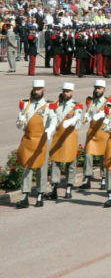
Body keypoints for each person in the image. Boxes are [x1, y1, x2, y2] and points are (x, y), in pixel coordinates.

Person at [15, 79, 57, 208]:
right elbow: (19, 125)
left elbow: (53, 119)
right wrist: (20, 121)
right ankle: (25, 195)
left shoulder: (48, 105)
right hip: (28, 140)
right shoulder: (26, 104)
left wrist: (50, 129)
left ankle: (40, 194)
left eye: (39, 90)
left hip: (41, 141)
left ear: (43, 90)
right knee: (27, 168)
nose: (36, 92)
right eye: (35, 90)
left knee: (41, 168)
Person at [46, 82, 83, 201]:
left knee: (71, 162)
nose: (65, 93)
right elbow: (52, 117)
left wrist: (71, 120)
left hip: (70, 137)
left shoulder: (76, 105)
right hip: (58, 136)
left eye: (67, 91)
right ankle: (54, 187)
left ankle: (69, 187)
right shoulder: (56, 105)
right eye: (64, 91)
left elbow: (78, 116)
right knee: (55, 162)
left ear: (72, 93)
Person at [80, 79, 110, 190]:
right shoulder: (90, 101)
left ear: (104, 90)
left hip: (103, 133)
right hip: (92, 132)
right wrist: (86, 118)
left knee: (103, 156)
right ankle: (87, 177)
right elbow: (88, 113)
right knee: (88, 154)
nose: (97, 90)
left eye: (99, 88)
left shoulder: (108, 102)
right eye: (96, 88)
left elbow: (109, 115)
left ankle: (103, 177)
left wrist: (102, 114)